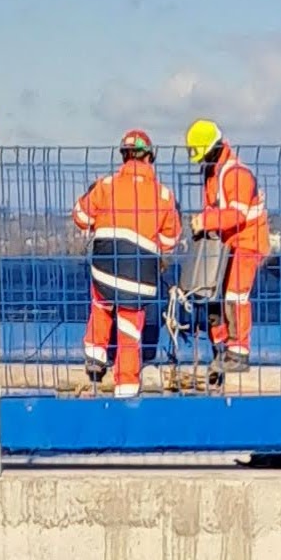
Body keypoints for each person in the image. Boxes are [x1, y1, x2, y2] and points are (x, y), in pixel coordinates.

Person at [73, 129, 181, 393]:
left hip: (105, 266)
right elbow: (170, 240)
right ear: (150, 157)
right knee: (130, 328)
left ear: (124, 156)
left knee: (101, 302)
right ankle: (127, 385)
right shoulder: (164, 195)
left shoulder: (106, 185)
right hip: (140, 276)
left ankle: (96, 355)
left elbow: (81, 218)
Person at [185, 118, 268, 378]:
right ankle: (223, 349)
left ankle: (238, 353)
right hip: (226, 244)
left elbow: (237, 215)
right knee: (216, 297)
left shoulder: (235, 173)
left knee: (235, 296)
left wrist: (205, 221)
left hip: (247, 243)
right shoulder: (215, 173)